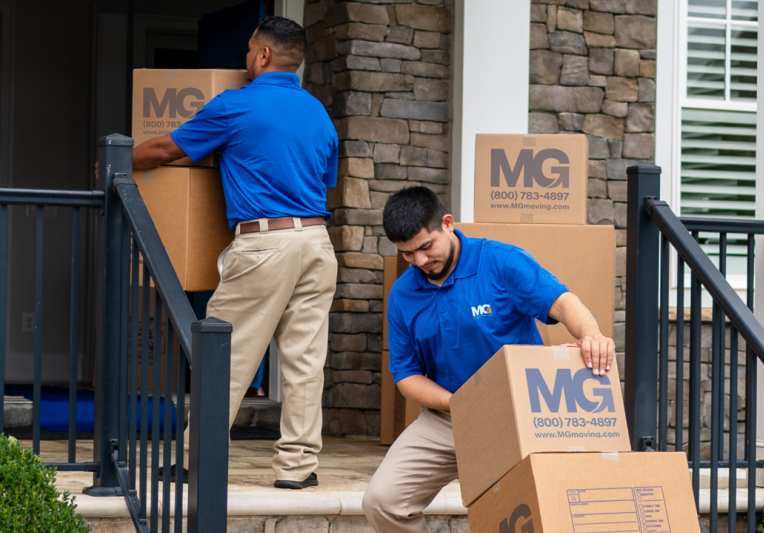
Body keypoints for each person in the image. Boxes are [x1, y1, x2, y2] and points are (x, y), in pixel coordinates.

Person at [132, 16, 338, 489]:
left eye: (249, 50)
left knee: (225, 354)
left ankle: (197, 460)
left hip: (265, 243)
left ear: (263, 55)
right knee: (305, 362)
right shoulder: (318, 114)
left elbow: (165, 149)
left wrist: (114, 160)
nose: (245, 59)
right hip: (316, 242)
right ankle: (298, 469)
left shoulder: (236, 105)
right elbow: (320, 179)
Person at [362, 186, 615, 531]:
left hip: (519, 414)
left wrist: (591, 334)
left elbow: (561, 302)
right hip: (448, 418)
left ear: (447, 224)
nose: (419, 261)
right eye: (407, 254)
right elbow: (407, 376)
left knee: (533, 506)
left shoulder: (500, 261)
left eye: (426, 247)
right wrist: (460, 403)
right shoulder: (404, 294)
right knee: (382, 501)